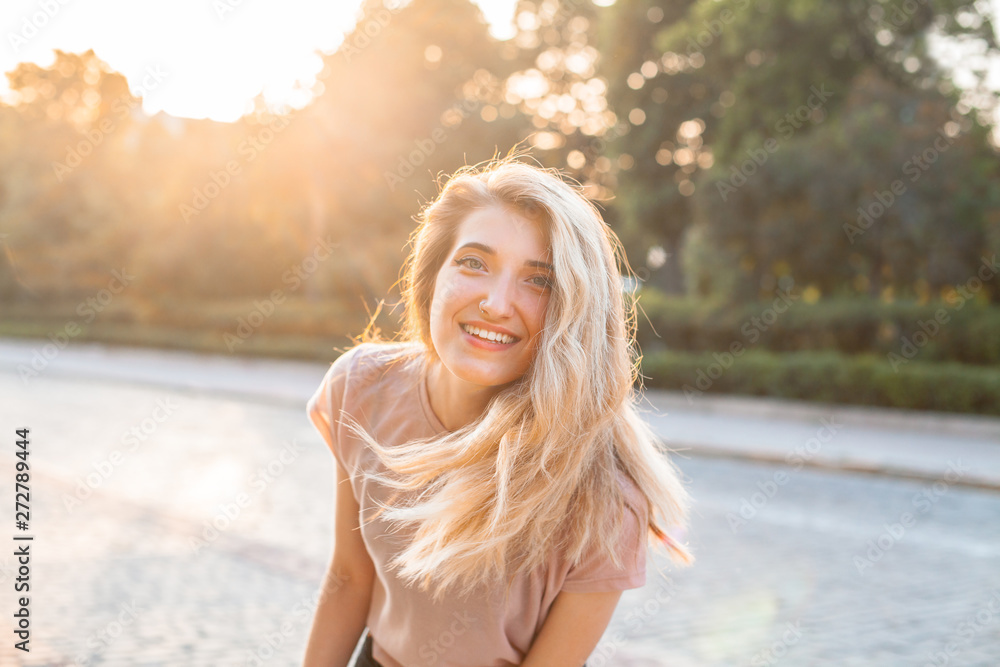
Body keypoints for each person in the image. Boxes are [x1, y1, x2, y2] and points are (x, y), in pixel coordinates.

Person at [302, 157, 692, 667]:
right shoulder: (361, 386)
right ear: (431, 276)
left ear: (576, 313)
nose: (496, 303)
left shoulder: (605, 498)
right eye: (474, 263)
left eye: (539, 281)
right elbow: (350, 578)